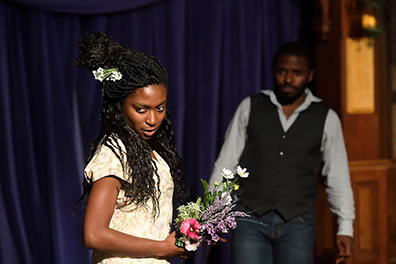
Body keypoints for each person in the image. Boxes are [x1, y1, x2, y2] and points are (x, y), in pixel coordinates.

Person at [209, 42, 355, 264]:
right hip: (250, 220)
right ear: (273, 71)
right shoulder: (250, 107)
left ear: (310, 75)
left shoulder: (327, 118)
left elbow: (337, 177)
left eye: (296, 73)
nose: (288, 79)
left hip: (298, 224)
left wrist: (345, 226)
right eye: (282, 71)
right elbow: (226, 164)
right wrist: (215, 214)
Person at [75, 32, 189, 264]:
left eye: (160, 108)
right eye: (141, 109)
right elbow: (94, 234)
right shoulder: (114, 152)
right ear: (120, 107)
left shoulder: (151, 152)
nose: (152, 119)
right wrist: (162, 248)